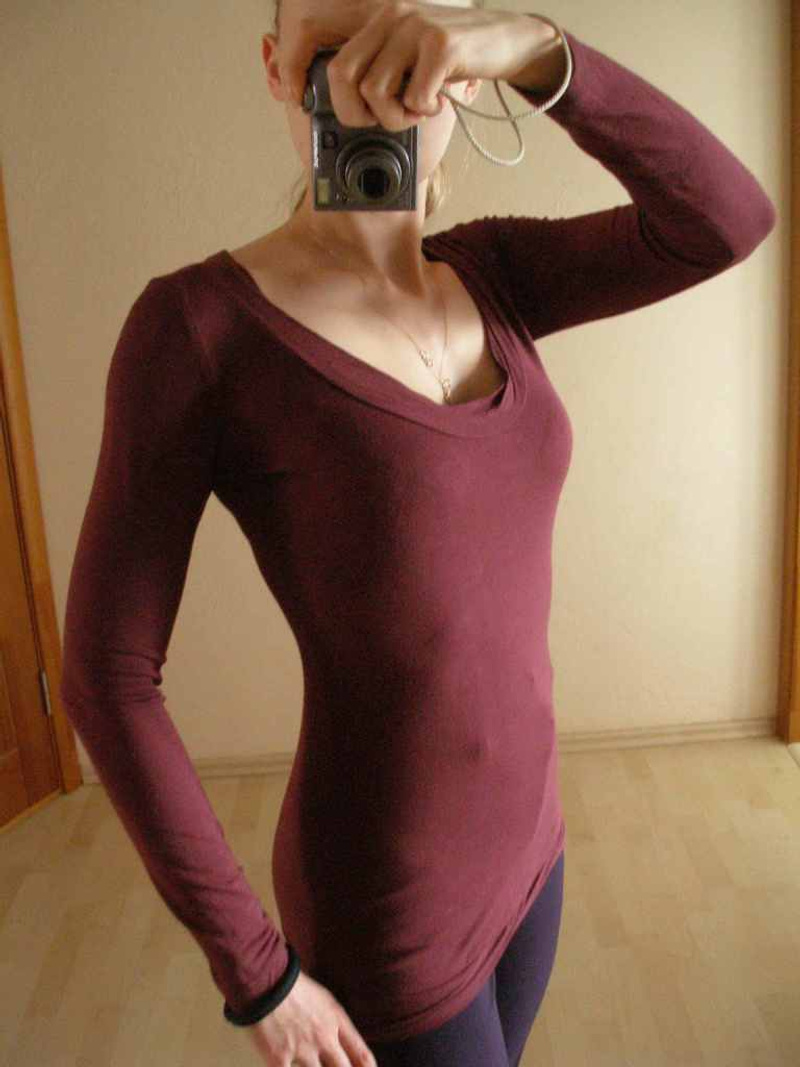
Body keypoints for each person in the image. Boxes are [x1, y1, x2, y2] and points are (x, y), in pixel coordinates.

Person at [58, 2, 776, 1065]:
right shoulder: (200, 330)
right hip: (386, 909)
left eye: (405, 53)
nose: (368, 92)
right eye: (330, 54)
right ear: (276, 70)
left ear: (462, 69)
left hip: (532, 854)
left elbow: (726, 219)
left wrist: (540, 51)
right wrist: (257, 975)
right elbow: (106, 676)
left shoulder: (494, 274)